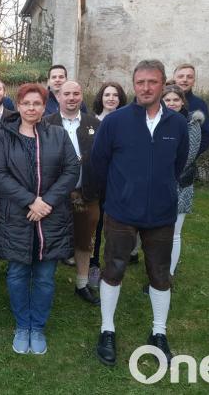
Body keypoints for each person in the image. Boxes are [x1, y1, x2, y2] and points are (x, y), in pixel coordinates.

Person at [91, 59, 188, 367]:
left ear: (164, 85)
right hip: (121, 211)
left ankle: (159, 332)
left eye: (153, 82)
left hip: (161, 213)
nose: (146, 88)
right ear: (134, 85)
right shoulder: (115, 121)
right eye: (141, 82)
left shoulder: (177, 124)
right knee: (114, 268)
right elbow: (99, 164)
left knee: (160, 273)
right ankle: (107, 328)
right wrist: (115, 197)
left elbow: (178, 164)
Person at [0, 83, 80, 354]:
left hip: (51, 217)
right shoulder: (4, 135)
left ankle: (37, 327)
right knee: (17, 273)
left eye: (37, 104)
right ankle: (22, 325)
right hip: (17, 215)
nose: (31, 108)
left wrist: (47, 202)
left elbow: (71, 169)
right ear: (18, 106)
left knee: (44, 276)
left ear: (44, 107)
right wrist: (30, 200)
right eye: (26, 103)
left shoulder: (57, 134)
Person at [44, 81, 103, 306]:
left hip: (85, 192)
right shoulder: (46, 123)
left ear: (81, 97)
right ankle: (44, 283)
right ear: (57, 97)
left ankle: (81, 283)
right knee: (49, 238)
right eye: (66, 93)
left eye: (75, 93)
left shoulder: (94, 124)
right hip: (53, 194)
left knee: (84, 239)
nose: (71, 97)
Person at [154, 85, 205, 286]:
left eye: (176, 100)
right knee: (158, 233)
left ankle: (168, 275)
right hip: (157, 186)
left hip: (179, 186)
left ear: (183, 102)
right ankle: (157, 270)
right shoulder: (157, 122)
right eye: (168, 100)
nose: (172, 103)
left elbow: (186, 158)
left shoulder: (191, 125)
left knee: (174, 233)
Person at [88, 81, 128, 287]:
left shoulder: (126, 122)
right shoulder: (91, 122)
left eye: (115, 95)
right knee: (96, 224)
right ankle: (93, 264)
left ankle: (112, 266)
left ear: (120, 99)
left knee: (116, 227)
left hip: (118, 183)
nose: (111, 98)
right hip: (96, 182)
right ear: (100, 98)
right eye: (107, 95)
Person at [173, 63, 209, 156]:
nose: (185, 80)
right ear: (174, 79)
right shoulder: (162, 101)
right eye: (181, 76)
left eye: (189, 77)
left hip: (188, 163)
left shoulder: (199, 104)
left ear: (194, 81)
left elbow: (206, 136)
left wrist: (189, 156)